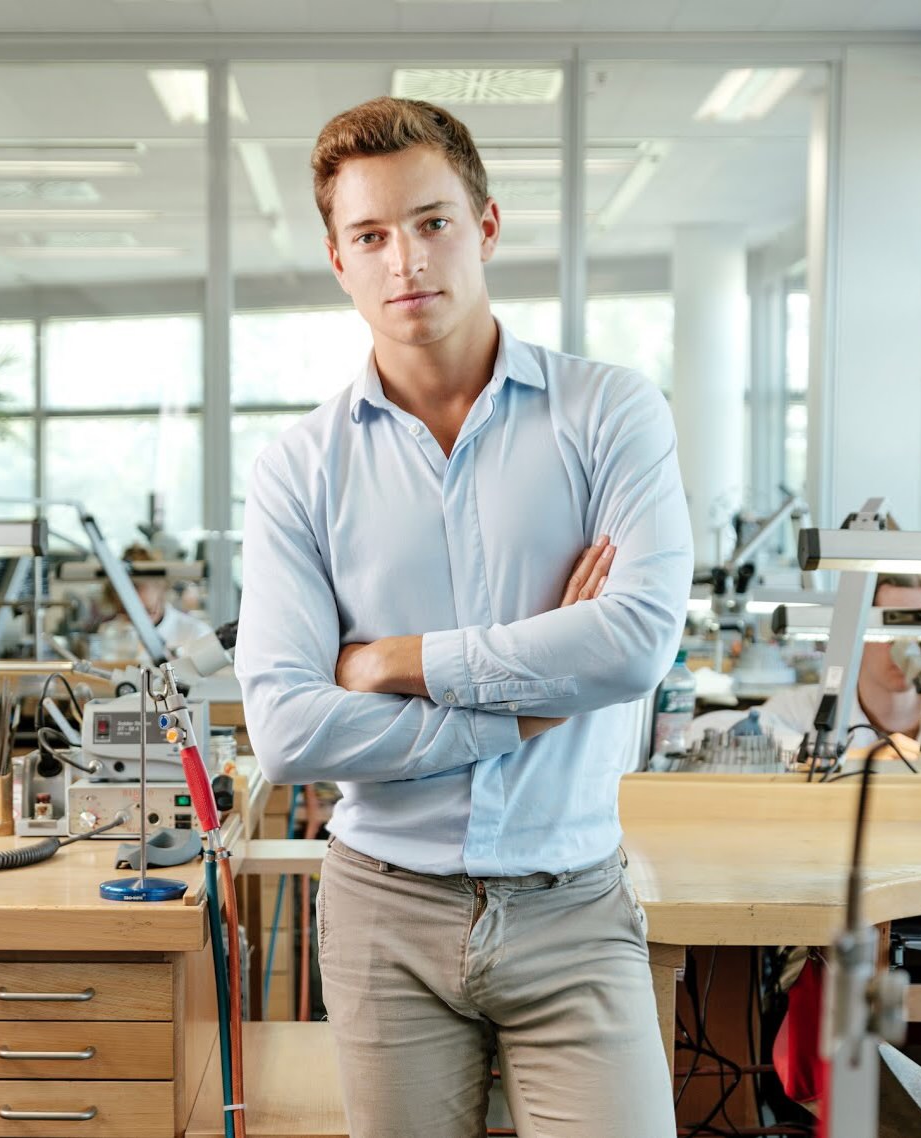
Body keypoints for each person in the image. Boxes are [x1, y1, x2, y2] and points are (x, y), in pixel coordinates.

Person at [235, 97, 693, 1138]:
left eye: (433, 221)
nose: (406, 260)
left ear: (485, 227)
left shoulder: (611, 413)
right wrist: (524, 707)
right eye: (371, 235)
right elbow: (292, 731)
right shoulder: (300, 469)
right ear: (339, 259)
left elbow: (634, 644)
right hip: (383, 911)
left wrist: (402, 660)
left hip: (572, 901)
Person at [757, 575, 921, 761]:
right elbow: (729, 731)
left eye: (920, 634)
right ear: (858, 632)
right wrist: (850, 758)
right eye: (891, 631)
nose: (907, 648)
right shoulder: (803, 708)